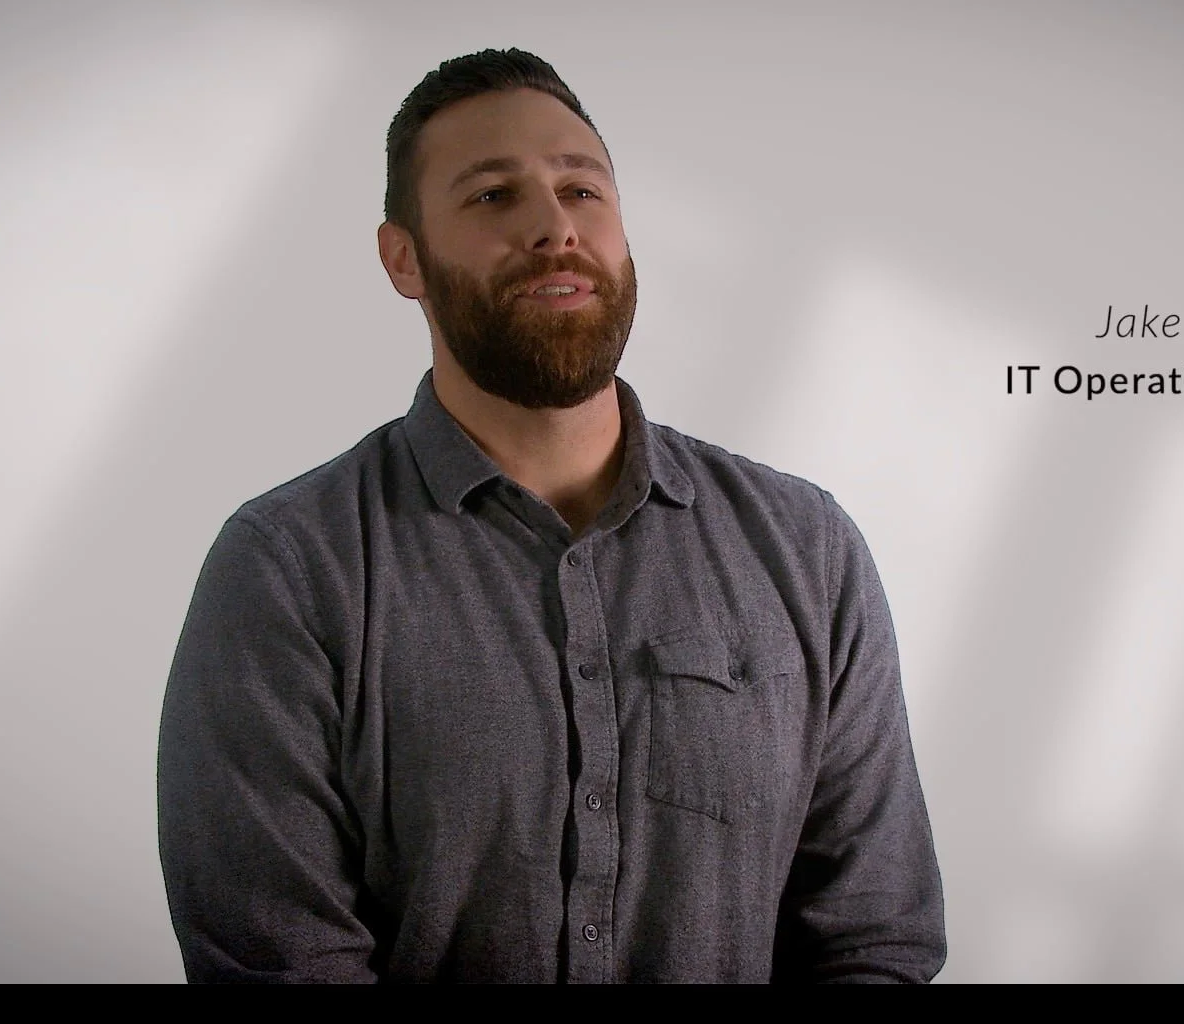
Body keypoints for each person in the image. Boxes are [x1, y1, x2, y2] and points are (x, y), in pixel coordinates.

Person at [156, 48, 946, 984]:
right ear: (403, 259)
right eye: (493, 197)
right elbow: (275, 960)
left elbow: (873, 938)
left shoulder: (808, 552)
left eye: (582, 191)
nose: (553, 228)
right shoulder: (289, 570)